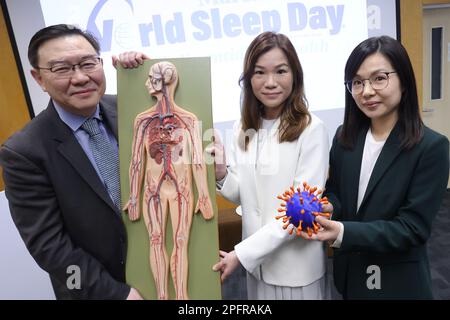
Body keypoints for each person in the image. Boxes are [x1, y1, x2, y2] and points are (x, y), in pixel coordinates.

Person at [0, 24, 149, 299]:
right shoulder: (23, 152)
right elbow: (49, 248)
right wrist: (116, 295)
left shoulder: (134, 109)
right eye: (62, 68)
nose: (80, 78)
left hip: (165, 277)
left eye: (88, 63)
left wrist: (146, 75)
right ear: (39, 78)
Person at [300, 36, 449, 299]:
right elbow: (337, 193)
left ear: (403, 81)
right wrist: (330, 207)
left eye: (379, 78)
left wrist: (344, 232)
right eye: (357, 82)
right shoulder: (344, 138)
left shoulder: (431, 147)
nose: (366, 91)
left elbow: (412, 228)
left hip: (397, 283)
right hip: (351, 275)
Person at [210, 31, 330, 299]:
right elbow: (242, 195)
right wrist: (220, 174)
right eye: (260, 72)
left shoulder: (312, 129)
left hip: (295, 271)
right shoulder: (243, 127)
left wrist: (241, 253)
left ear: (295, 75)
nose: (270, 82)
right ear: (249, 79)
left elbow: (300, 213)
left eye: (281, 71)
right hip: (257, 268)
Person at [123, 61, 214, 300]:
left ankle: (182, 298)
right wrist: (133, 196)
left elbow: (197, 160)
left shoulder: (189, 120)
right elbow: (136, 161)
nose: (146, 83)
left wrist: (204, 195)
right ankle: (162, 296)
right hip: (153, 189)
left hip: (181, 189)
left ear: (164, 83)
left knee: (181, 240)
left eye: (151, 78)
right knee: (156, 240)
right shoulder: (142, 121)